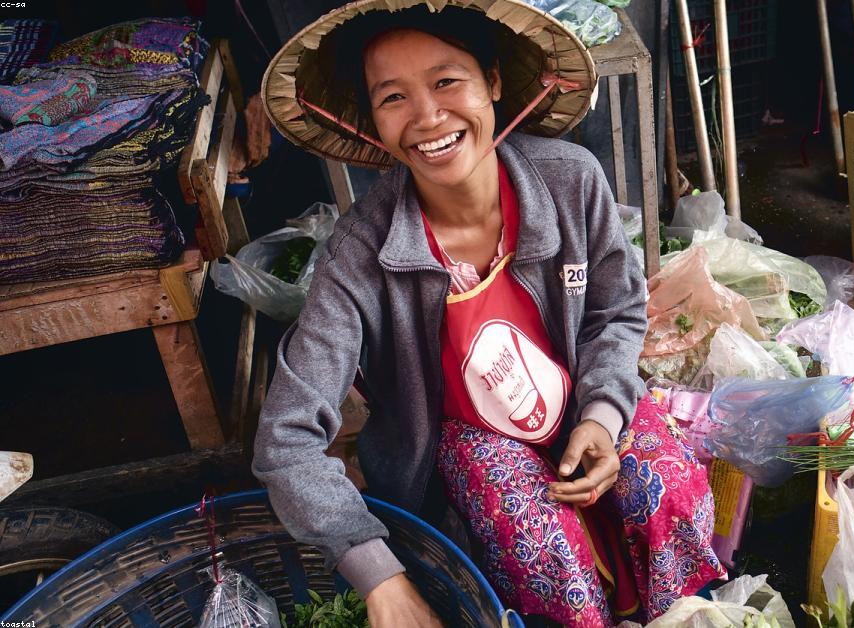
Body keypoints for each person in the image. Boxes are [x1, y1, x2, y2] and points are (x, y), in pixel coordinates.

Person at [255, 1, 726, 626]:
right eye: (393, 96)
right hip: (469, 438)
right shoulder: (358, 254)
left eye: (447, 81)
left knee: (667, 491)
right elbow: (286, 439)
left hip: (576, 391)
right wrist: (377, 574)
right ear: (372, 119)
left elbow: (615, 312)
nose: (427, 116)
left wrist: (602, 415)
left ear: (494, 82)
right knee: (543, 549)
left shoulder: (571, 181)